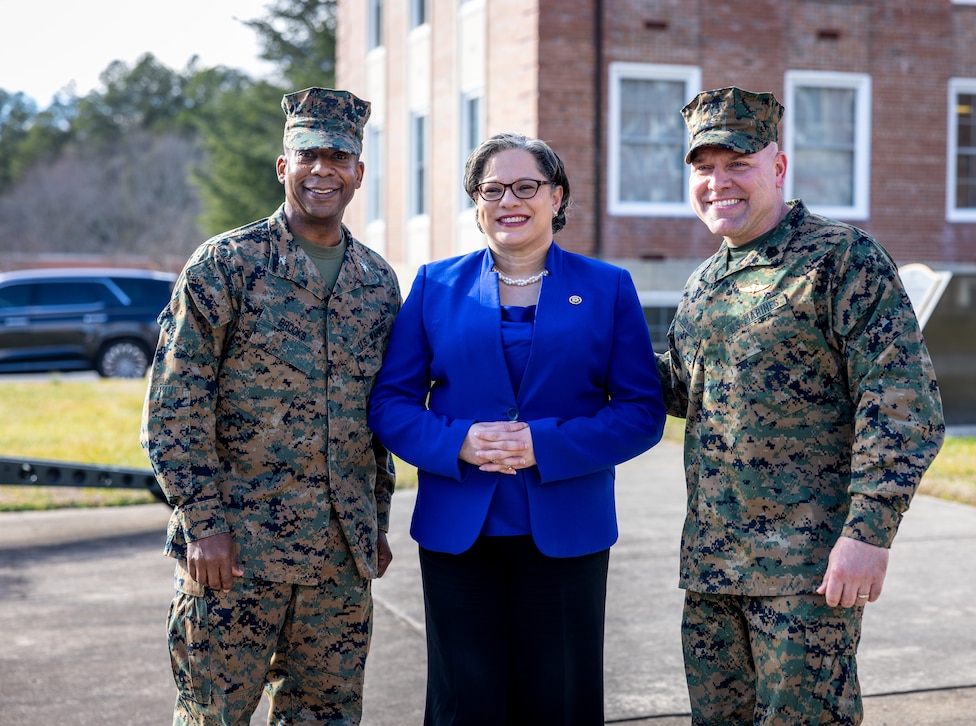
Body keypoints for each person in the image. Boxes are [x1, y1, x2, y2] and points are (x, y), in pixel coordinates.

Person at [658, 86, 945, 724]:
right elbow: (682, 388)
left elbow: (901, 403)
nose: (718, 182)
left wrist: (869, 532)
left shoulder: (841, 261)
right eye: (703, 168)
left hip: (806, 572)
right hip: (713, 570)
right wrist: (577, 351)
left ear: (778, 168)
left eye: (738, 164)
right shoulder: (706, 282)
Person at [368, 132, 666, 725]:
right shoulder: (435, 285)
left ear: (556, 197)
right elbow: (392, 404)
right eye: (492, 189)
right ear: (476, 204)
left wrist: (545, 444)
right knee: (464, 707)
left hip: (566, 529)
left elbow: (641, 412)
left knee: (559, 702)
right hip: (460, 532)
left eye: (526, 186)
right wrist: (458, 442)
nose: (510, 200)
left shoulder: (607, 287)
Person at [141, 87, 401, 725]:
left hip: (338, 559)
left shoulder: (376, 282)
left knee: (326, 716)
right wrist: (204, 524)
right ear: (283, 166)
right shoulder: (225, 266)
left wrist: (377, 520)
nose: (323, 169)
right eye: (308, 154)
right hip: (236, 554)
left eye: (339, 156)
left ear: (359, 173)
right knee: (212, 716)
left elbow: (377, 418)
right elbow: (174, 406)